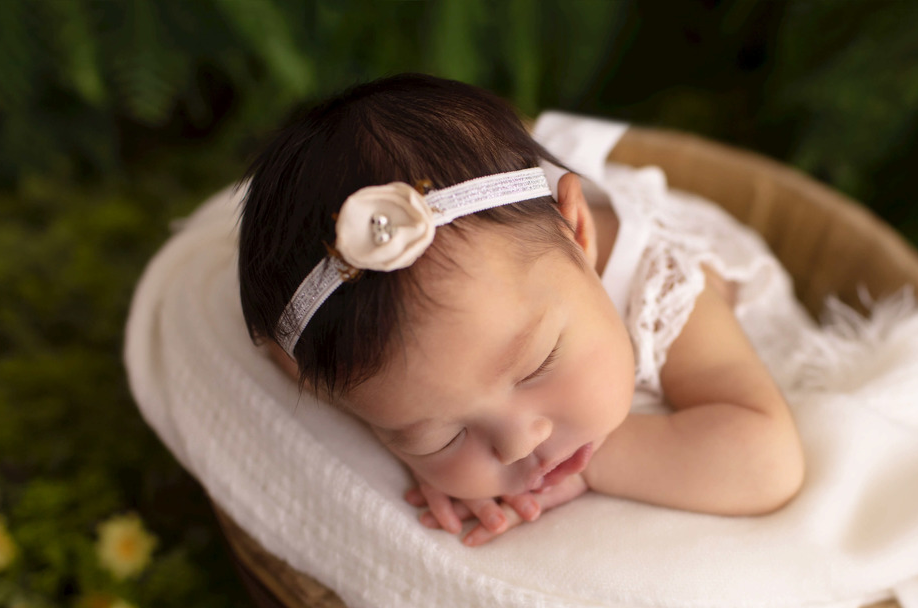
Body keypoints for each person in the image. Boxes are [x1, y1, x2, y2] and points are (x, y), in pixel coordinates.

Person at [238, 73, 805, 547]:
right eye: (441, 434)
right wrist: (408, 442)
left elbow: (767, 462)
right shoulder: (494, 325)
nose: (518, 444)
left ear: (578, 234)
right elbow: (285, 353)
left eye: (538, 365)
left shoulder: (664, 288)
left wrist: (600, 464)